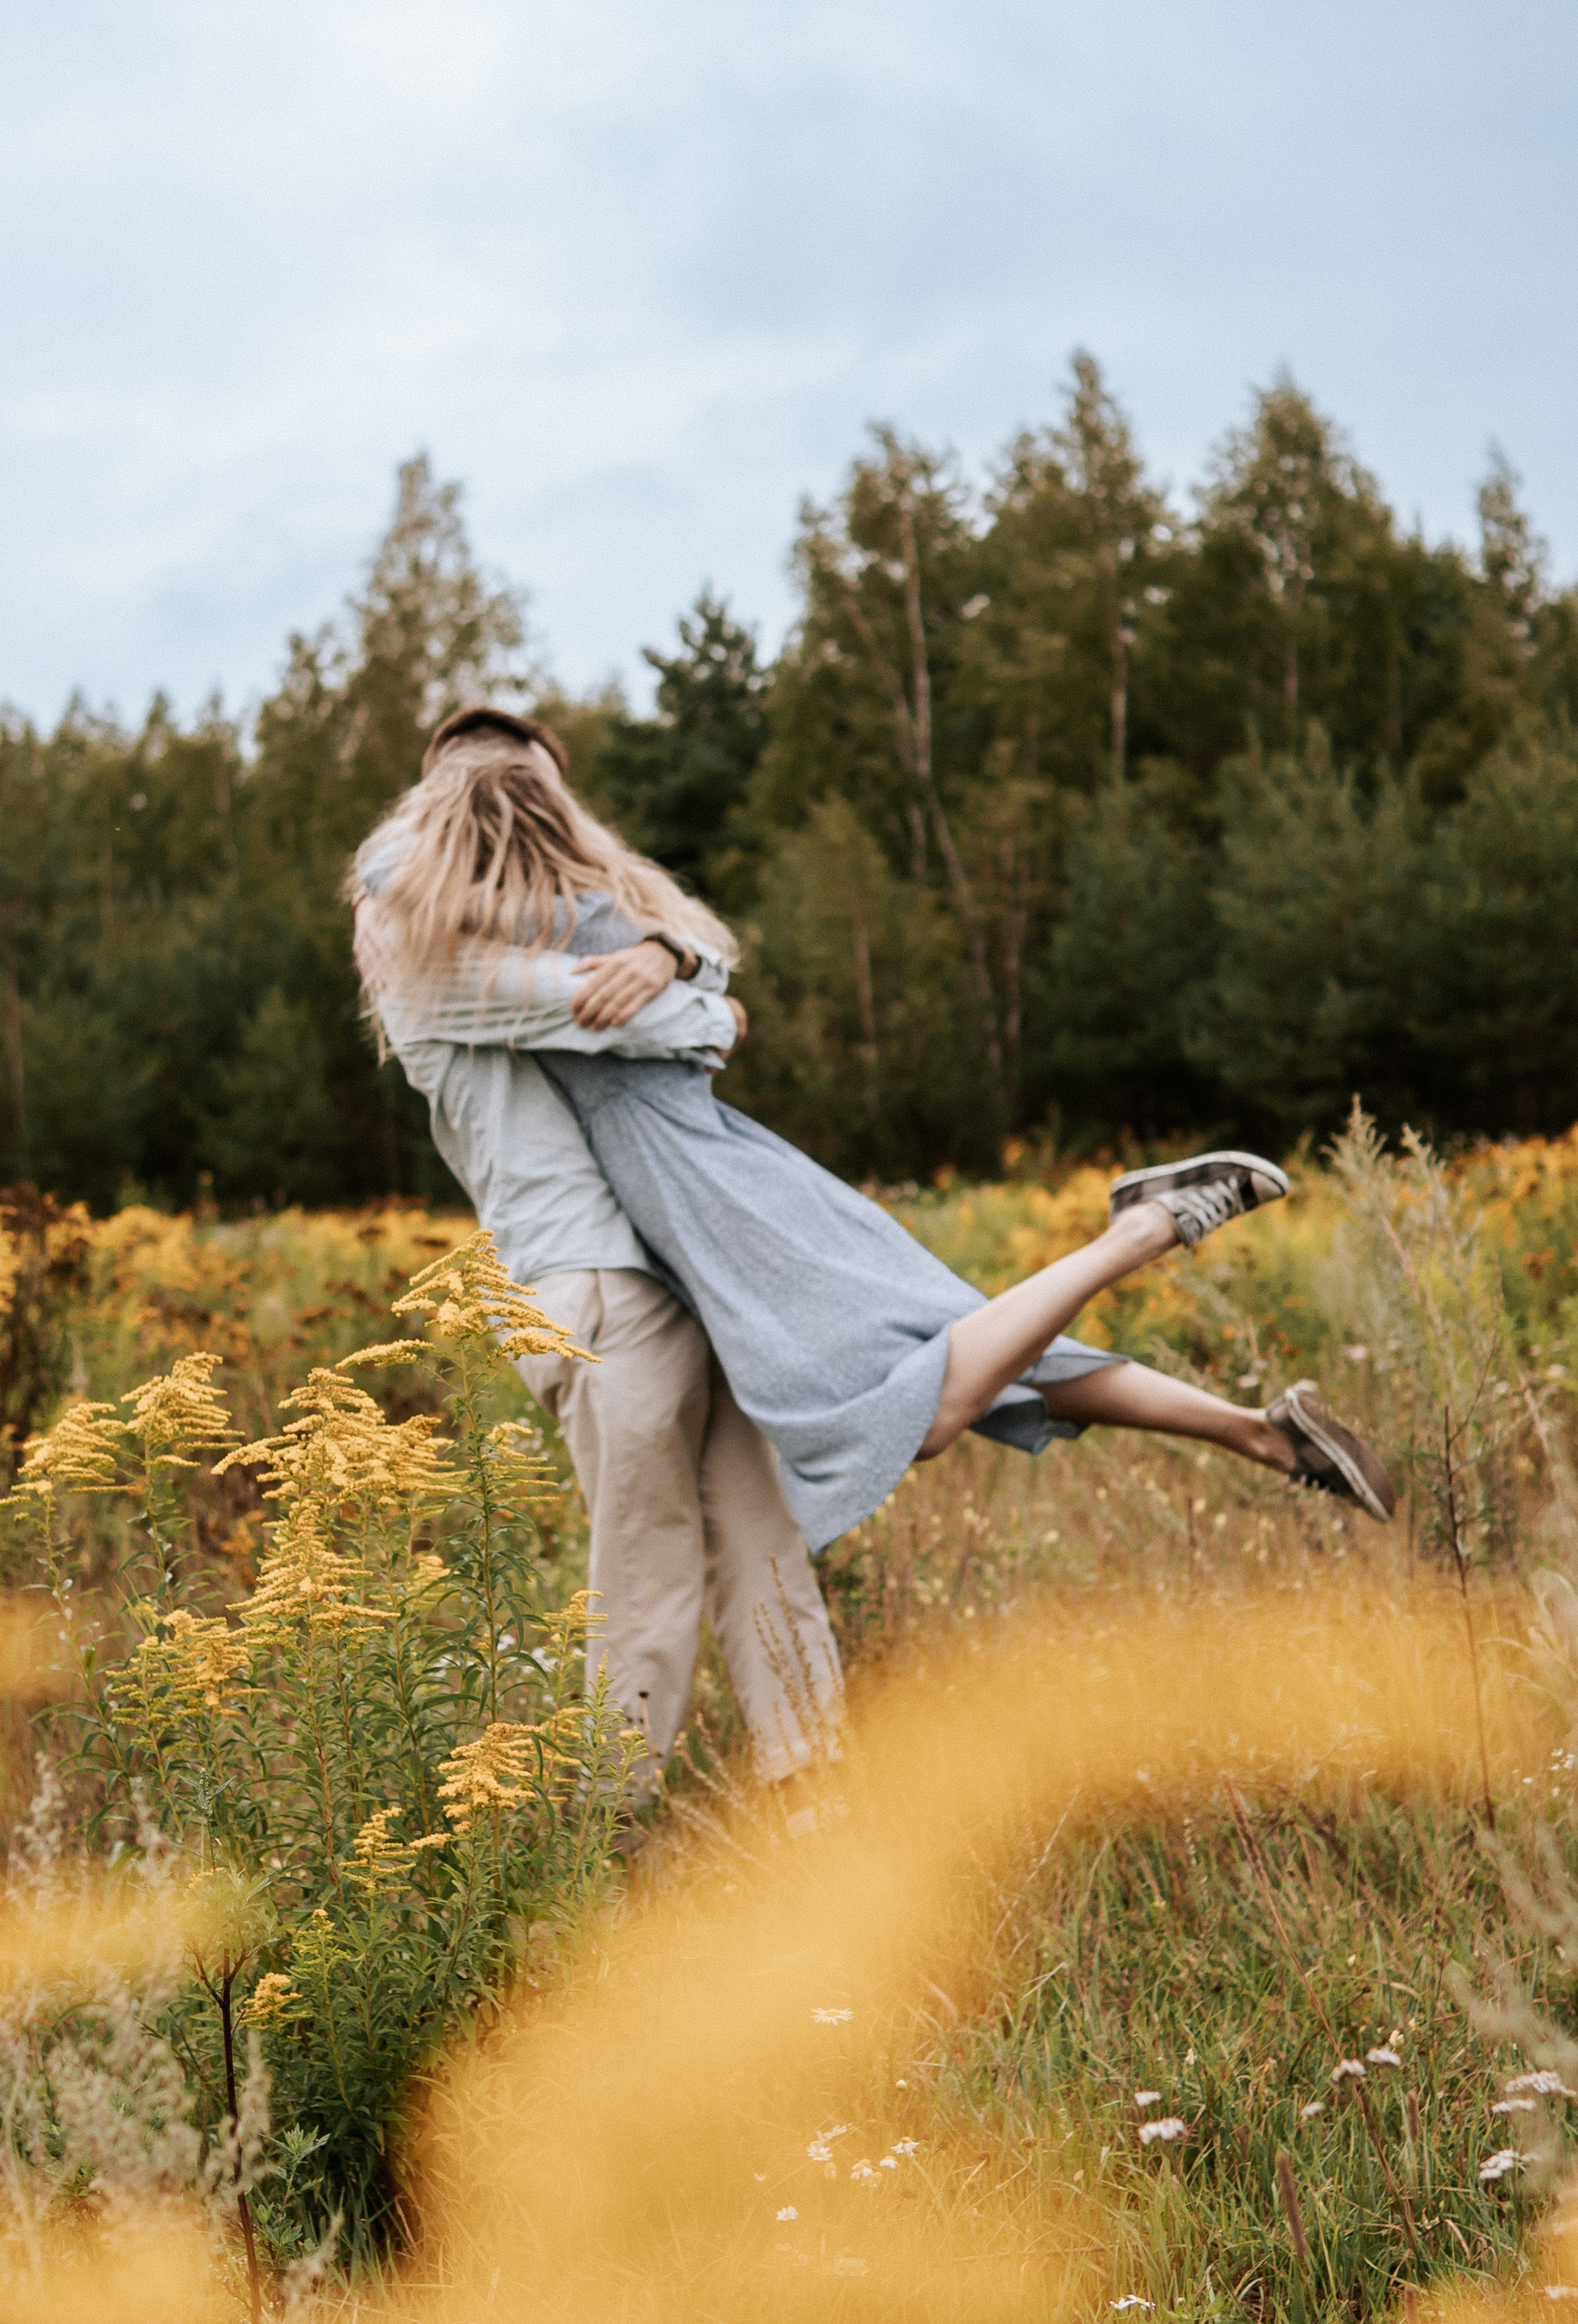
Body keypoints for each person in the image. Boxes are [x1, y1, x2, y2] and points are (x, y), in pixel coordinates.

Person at [353, 714, 1395, 1570]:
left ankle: (1142, 1229)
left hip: (699, 1188)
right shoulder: (551, 908)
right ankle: (1261, 1435)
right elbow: (706, 981)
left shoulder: (529, 921)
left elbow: (691, 1000)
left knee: (917, 1410)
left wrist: (681, 973)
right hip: (729, 1165)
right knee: (970, 1339)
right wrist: (685, 966)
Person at [350, 709, 840, 1794]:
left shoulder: (544, 928)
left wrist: (672, 953)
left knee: (759, 1542)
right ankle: (609, 1828)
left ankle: (817, 1799)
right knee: (646, 1566)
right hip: (592, 1283)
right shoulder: (418, 951)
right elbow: (649, 1018)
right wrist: (699, 1000)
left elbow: (687, 950)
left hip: (673, 1272)